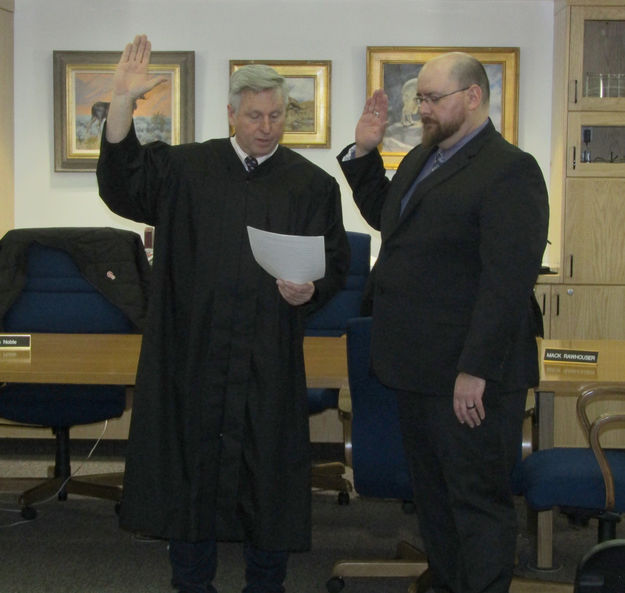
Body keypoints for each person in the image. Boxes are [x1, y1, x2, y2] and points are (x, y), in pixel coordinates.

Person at [97, 35, 349, 593]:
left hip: (269, 355)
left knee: (268, 479)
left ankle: (266, 583)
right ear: (231, 113)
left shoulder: (312, 185)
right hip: (194, 353)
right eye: (254, 115)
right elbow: (122, 184)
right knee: (192, 474)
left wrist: (310, 291)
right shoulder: (186, 168)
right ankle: (192, 583)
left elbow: (335, 262)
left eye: (276, 115)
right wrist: (121, 101)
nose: (266, 125)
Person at [337, 52, 549, 593]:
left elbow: (506, 284)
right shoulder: (420, 158)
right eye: (420, 99)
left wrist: (475, 370)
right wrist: (364, 153)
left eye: (433, 99)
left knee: (475, 504)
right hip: (417, 366)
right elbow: (392, 220)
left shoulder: (509, 169)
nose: (422, 110)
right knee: (434, 503)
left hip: (469, 374)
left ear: (473, 97)